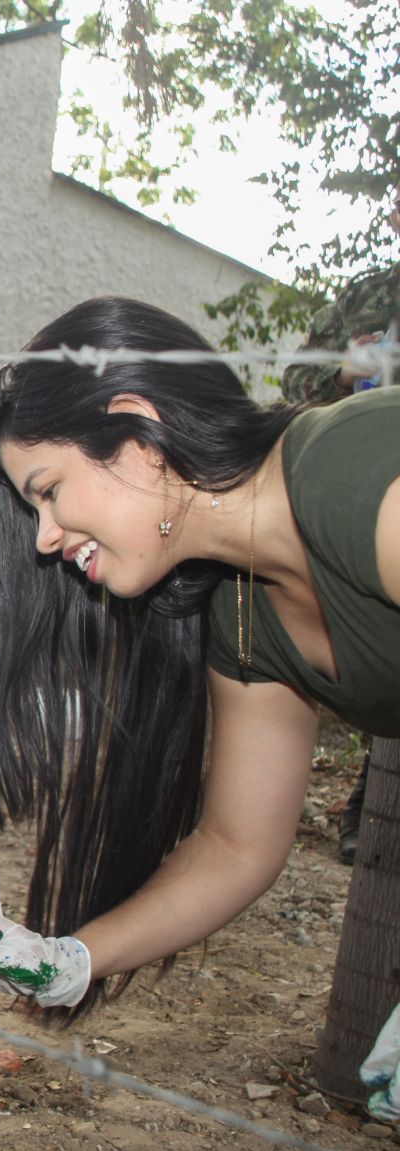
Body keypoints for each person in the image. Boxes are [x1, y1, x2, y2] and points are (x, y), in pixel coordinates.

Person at [0, 295, 400, 1124]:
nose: (46, 538)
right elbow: (237, 844)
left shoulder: (350, 469)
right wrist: (68, 957)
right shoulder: (245, 611)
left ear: (137, 431)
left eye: (49, 492)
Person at [279, 213, 399, 865]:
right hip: (364, 491)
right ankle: (368, 806)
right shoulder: (370, 297)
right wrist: (348, 374)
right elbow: (297, 381)